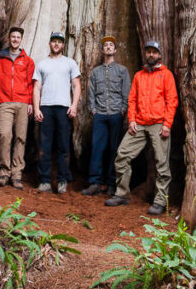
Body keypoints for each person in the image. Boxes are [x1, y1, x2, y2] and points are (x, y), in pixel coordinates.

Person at [105, 40, 178, 215]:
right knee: (122, 155)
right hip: (139, 123)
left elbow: (172, 100)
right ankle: (122, 194)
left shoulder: (166, 75)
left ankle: (160, 201)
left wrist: (167, 124)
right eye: (148, 52)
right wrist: (131, 120)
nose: (151, 54)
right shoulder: (139, 75)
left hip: (159, 124)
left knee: (161, 163)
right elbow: (132, 100)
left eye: (154, 52)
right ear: (145, 54)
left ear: (159, 55)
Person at [32, 31, 81, 194]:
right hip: (46, 107)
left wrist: (74, 106)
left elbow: (76, 86)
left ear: (63, 45)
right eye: (54, 41)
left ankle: (62, 180)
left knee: (63, 147)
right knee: (44, 146)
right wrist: (37, 107)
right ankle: (45, 181)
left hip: (63, 109)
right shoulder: (42, 64)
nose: (56, 44)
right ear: (50, 43)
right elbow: (37, 87)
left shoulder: (70, 63)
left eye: (59, 42)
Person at [0, 26, 35, 189]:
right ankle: (4, 171)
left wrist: (30, 103)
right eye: (13, 37)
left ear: (21, 40)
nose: (15, 39)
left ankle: (16, 174)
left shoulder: (27, 61)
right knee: (4, 135)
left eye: (18, 37)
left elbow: (30, 84)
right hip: (5, 102)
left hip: (22, 103)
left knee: (21, 138)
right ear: (9, 38)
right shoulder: (0, 57)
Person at [82, 36, 130, 197]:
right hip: (100, 115)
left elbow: (126, 92)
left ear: (115, 50)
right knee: (97, 148)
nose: (108, 47)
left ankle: (111, 183)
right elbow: (91, 92)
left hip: (116, 114)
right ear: (102, 50)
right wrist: (93, 110)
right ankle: (95, 182)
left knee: (113, 149)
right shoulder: (96, 72)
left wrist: (123, 110)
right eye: (106, 45)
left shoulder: (122, 70)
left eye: (111, 45)